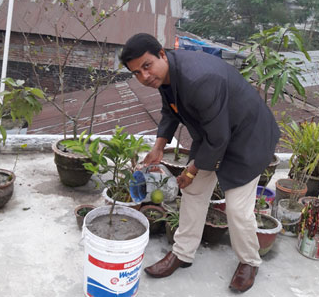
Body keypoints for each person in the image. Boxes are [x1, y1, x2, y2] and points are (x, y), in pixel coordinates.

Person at [119, 33, 279, 293]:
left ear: (161, 53)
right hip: (216, 134)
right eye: (136, 73)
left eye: (146, 66)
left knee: (238, 209)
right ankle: (183, 252)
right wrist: (159, 147)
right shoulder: (166, 75)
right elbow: (170, 110)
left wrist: (191, 171)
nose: (144, 77)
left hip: (248, 138)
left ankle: (249, 262)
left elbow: (219, 139)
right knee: (193, 191)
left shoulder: (199, 78)